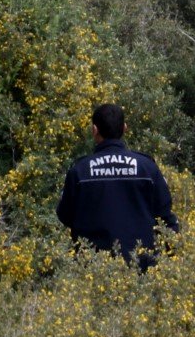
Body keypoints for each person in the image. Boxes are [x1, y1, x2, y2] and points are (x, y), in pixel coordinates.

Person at [56, 103, 178, 267]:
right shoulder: (147, 167)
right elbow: (165, 214)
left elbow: (64, 215)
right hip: (142, 268)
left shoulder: (79, 170)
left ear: (94, 130)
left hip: (93, 270)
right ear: (125, 128)